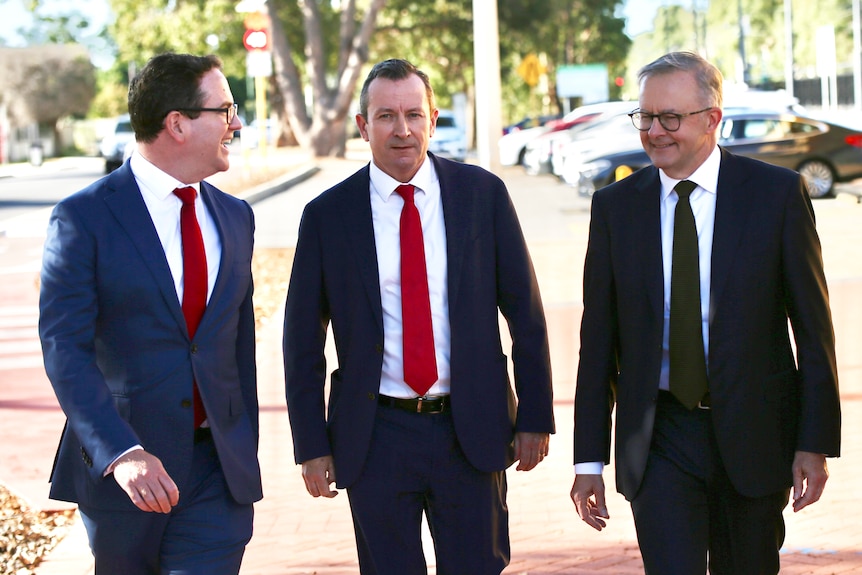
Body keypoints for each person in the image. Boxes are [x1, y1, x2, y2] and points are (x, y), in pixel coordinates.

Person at [570, 51, 841, 575]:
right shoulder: (616, 208)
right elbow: (597, 342)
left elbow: (813, 329)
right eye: (645, 117)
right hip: (660, 437)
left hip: (757, 434)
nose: (654, 131)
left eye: (670, 117)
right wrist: (588, 461)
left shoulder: (777, 194)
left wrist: (814, 442)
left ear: (713, 118)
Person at [283, 58, 555, 574]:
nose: (402, 130)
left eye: (413, 114)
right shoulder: (327, 216)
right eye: (386, 116)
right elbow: (301, 342)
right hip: (374, 435)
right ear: (363, 126)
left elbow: (526, 312)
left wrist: (536, 414)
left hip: (470, 427)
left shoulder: (482, 196)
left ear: (432, 118)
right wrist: (311, 444)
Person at [39, 52, 262, 574]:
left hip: (218, 472)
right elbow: (63, 350)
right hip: (127, 477)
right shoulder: (83, 218)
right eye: (225, 110)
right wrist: (121, 452)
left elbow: (238, 345)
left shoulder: (236, 218)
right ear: (178, 124)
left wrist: (244, 446)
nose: (237, 123)